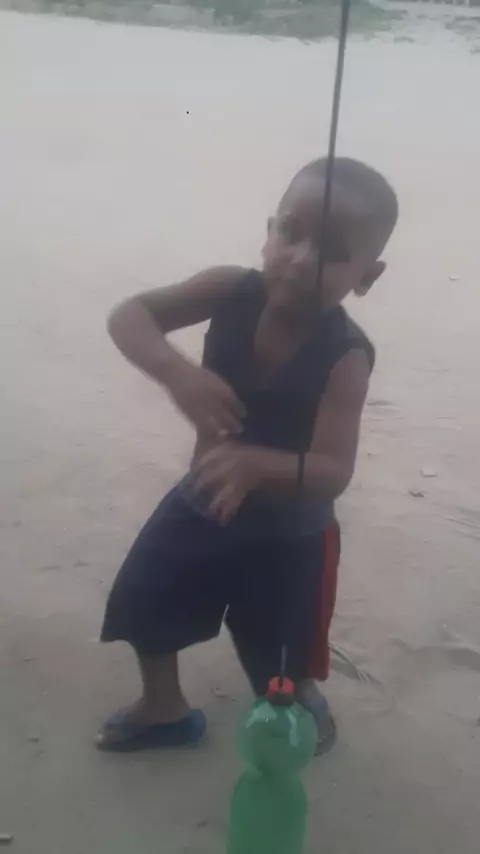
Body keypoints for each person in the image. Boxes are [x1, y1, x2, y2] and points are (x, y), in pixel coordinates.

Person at [96, 156, 399, 753]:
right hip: (203, 498)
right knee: (145, 598)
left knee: (278, 654)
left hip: (290, 535)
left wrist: (258, 464)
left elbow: (333, 471)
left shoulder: (346, 358)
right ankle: (164, 709)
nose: (301, 259)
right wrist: (175, 371)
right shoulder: (228, 290)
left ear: (367, 276)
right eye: (291, 232)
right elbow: (130, 316)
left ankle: (300, 700)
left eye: (333, 251)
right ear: (269, 231)